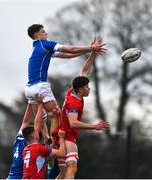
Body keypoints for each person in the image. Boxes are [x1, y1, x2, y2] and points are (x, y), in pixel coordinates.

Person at [25, 24, 106, 144]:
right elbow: (70, 49)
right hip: (40, 86)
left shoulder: (38, 48)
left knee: (40, 119)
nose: (46, 33)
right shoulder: (46, 44)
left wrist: (91, 50)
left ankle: (43, 141)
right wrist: (90, 48)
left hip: (29, 88)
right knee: (55, 115)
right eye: (43, 32)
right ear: (36, 35)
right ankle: (54, 144)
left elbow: (67, 55)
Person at [58, 37, 110, 179]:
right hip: (67, 135)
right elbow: (73, 123)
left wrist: (93, 52)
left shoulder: (73, 91)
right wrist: (95, 126)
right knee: (72, 166)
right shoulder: (74, 103)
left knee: (63, 173)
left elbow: (84, 71)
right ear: (81, 89)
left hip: (60, 134)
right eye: (87, 87)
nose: (89, 88)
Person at [22, 101, 66, 179]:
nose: (38, 132)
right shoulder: (40, 148)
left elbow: (43, 159)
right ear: (34, 135)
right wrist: (62, 137)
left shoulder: (26, 150)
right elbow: (62, 153)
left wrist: (40, 105)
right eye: (36, 131)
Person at [7, 104, 32, 179]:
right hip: (17, 177)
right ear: (30, 136)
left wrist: (30, 103)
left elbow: (25, 122)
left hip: (11, 176)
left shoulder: (18, 138)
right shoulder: (28, 146)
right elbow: (27, 122)